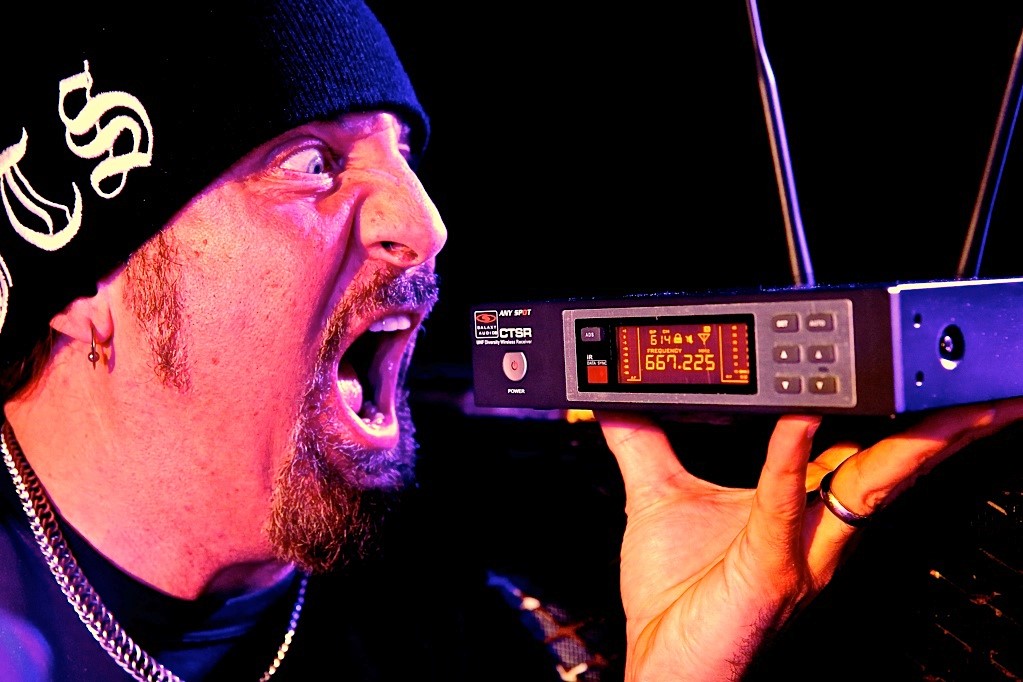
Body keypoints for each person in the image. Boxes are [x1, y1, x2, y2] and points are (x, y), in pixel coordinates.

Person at [3, 2, 1023, 681]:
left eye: (405, 152)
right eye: (313, 161)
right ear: (88, 283)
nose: (426, 221)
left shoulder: (476, 630)